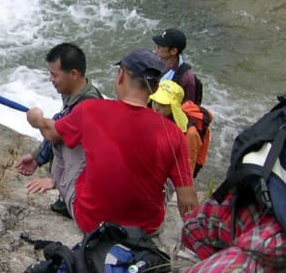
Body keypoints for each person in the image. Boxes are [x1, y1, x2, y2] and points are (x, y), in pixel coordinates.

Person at [25, 47, 197, 235]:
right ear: (155, 88)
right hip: (146, 229)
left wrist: (37, 118)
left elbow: (51, 133)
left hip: (91, 221)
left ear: (121, 76)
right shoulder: (173, 132)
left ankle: (59, 189)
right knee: (175, 171)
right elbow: (186, 199)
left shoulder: (90, 109)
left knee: (63, 137)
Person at [15, 42, 103, 217]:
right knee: (58, 120)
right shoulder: (72, 93)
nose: (50, 79)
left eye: (54, 75)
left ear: (73, 74)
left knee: (58, 124)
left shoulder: (88, 104)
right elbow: (60, 126)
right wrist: (37, 157)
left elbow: (56, 135)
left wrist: (37, 119)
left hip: (89, 177)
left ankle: (70, 195)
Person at [149, 79, 213, 177]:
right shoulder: (153, 116)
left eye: (162, 105)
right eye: (155, 101)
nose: (156, 108)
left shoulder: (189, 133)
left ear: (173, 107)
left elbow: (187, 173)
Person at [152, 27, 199, 103]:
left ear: (173, 51)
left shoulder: (186, 78)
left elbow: (188, 108)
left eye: (160, 46)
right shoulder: (151, 61)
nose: (156, 47)